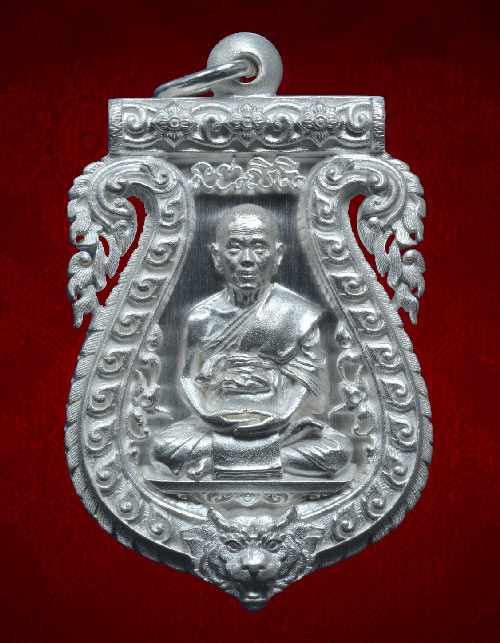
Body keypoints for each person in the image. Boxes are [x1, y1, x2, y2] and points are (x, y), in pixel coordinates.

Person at [153, 204, 352, 480]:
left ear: (277, 255)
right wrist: (208, 416)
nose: (247, 260)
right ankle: (262, 458)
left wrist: (283, 417)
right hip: (218, 424)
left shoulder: (298, 314)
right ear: (217, 257)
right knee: (163, 448)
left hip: (282, 426)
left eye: (259, 247)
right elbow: (187, 378)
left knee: (338, 451)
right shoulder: (202, 318)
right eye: (235, 248)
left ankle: (219, 460)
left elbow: (313, 383)